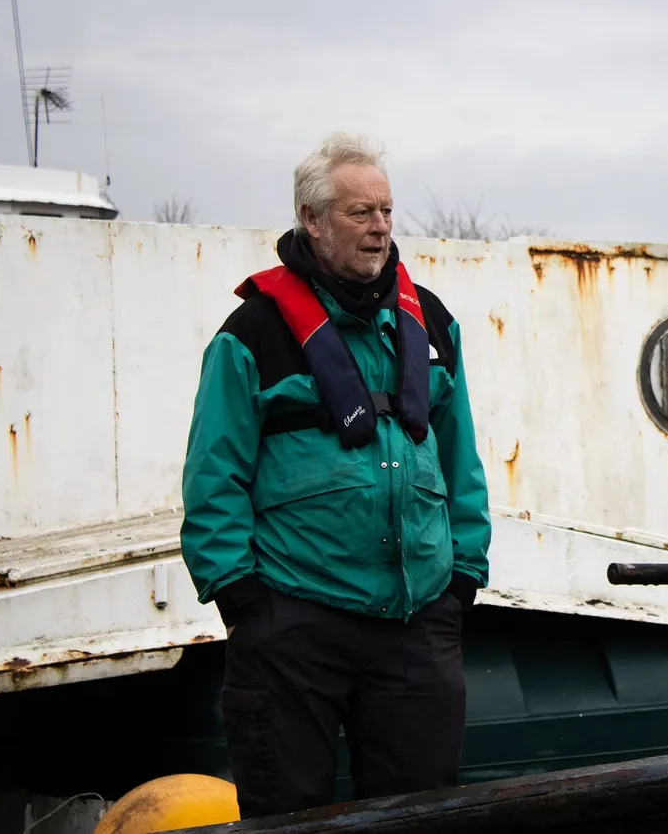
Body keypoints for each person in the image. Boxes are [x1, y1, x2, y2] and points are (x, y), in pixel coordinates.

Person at [179, 132, 491, 819]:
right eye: (360, 212)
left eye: (385, 210)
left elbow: (460, 454)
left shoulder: (431, 324)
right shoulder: (251, 335)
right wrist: (246, 605)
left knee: (423, 815)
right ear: (311, 218)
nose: (380, 227)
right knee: (290, 818)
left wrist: (463, 578)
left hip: (417, 622)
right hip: (295, 625)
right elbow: (213, 477)